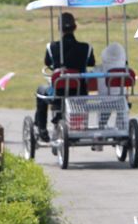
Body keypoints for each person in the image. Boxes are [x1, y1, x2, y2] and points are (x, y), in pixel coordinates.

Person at [34, 12, 95, 142]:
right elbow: (91, 63)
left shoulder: (52, 47)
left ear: (59, 28)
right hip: (80, 92)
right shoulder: (86, 48)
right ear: (75, 27)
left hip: (58, 93)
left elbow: (47, 62)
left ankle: (42, 128)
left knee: (40, 90)